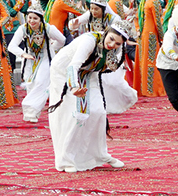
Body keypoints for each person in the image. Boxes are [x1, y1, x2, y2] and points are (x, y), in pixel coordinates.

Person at [47, 20, 133, 173]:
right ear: (106, 32)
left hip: (88, 73)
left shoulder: (116, 50)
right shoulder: (89, 41)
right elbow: (73, 66)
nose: (112, 44)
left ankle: (100, 154)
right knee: (76, 115)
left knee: (98, 112)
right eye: (111, 39)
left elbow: (107, 68)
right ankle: (66, 159)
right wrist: (74, 88)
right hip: (63, 72)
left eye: (118, 43)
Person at [8, 4, 65, 122]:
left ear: (40, 19)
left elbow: (62, 40)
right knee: (31, 84)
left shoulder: (48, 28)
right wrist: (23, 54)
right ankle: (32, 113)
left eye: (35, 18)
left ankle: (30, 109)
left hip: (45, 59)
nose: (32, 21)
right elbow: (11, 46)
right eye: (30, 18)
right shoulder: (23, 29)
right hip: (29, 60)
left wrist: (53, 48)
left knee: (41, 83)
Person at [134, 0, 166, 97]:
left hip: (145, 34)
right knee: (152, 61)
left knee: (145, 61)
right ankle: (152, 89)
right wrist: (162, 38)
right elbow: (158, 23)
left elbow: (137, 18)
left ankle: (145, 89)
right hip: (152, 34)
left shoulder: (145, 1)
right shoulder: (154, 2)